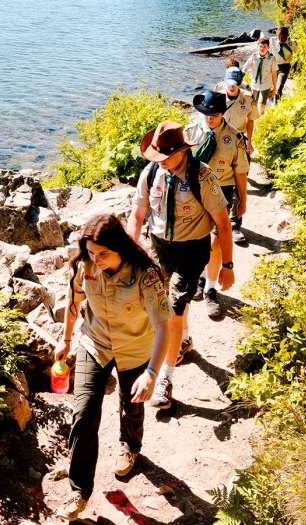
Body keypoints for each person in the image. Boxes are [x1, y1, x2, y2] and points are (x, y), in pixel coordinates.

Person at [54, 214, 171, 521]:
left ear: (120, 247)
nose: (96, 259)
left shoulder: (146, 275)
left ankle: (130, 446)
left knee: (131, 406)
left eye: (103, 254)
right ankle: (78, 491)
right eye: (91, 253)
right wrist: (65, 340)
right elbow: (73, 300)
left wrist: (151, 373)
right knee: (83, 413)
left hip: (136, 348)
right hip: (95, 345)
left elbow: (163, 328)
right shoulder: (86, 266)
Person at [126, 121, 234, 410]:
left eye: (164, 157)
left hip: (190, 252)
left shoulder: (202, 176)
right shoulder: (151, 173)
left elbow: (222, 223)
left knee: (170, 312)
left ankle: (164, 378)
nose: (159, 162)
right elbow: (138, 216)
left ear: (181, 151)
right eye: (156, 156)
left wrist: (228, 264)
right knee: (170, 307)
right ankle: (184, 341)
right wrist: (128, 251)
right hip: (158, 249)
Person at [183, 91, 249, 318]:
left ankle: (210, 289)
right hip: (195, 192)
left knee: (215, 242)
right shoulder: (190, 132)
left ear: (223, 113)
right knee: (195, 241)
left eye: (214, 114)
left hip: (222, 190)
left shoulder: (234, 137)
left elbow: (240, 171)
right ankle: (202, 275)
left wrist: (243, 199)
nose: (209, 118)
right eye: (205, 114)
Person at [216, 66, 259, 244]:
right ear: (224, 81)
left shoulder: (248, 98)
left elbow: (250, 120)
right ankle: (218, 219)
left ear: (240, 83)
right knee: (219, 182)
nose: (232, 87)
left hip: (240, 144)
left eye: (235, 84)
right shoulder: (218, 97)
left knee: (238, 184)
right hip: (221, 146)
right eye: (229, 83)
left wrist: (249, 142)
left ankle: (235, 225)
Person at [243, 36, 278, 115]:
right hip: (254, 85)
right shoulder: (254, 57)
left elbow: (274, 73)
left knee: (261, 106)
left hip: (266, 85)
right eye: (260, 46)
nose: (262, 49)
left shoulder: (272, 58)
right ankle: (254, 122)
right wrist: (240, 78)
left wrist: (275, 88)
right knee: (253, 106)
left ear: (268, 47)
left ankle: (261, 123)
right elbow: (245, 68)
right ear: (257, 46)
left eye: (264, 47)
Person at [269, 27, 299, 102]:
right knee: (270, 86)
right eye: (279, 36)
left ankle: (276, 105)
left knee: (279, 86)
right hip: (273, 66)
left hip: (284, 68)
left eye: (283, 37)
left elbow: (298, 55)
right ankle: (269, 101)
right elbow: (268, 53)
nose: (280, 38)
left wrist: (295, 66)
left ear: (287, 35)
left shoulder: (292, 43)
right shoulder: (272, 40)